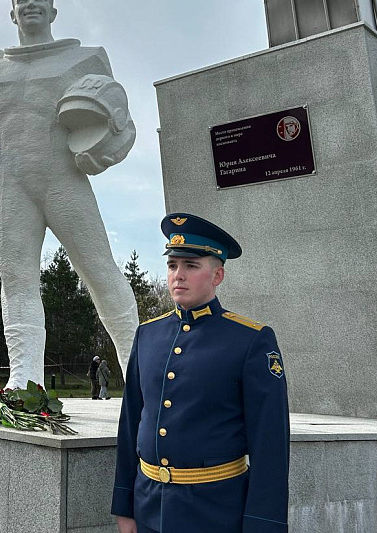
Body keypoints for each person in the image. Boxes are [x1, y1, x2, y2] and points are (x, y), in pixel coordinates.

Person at [0, 0, 139, 388]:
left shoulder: (85, 58)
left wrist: (105, 151)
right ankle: (25, 380)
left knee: (99, 270)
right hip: (11, 184)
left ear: (53, 8)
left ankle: (139, 372)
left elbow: (119, 120)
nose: (31, 4)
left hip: (63, 180)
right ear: (11, 12)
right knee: (18, 280)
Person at [111, 213, 290, 533]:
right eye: (172, 265)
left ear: (217, 275)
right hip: (149, 506)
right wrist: (124, 506)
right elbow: (130, 424)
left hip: (215, 512)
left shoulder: (251, 340)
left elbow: (270, 443)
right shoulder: (147, 335)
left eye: (191, 266)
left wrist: (264, 525)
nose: (178, 275)